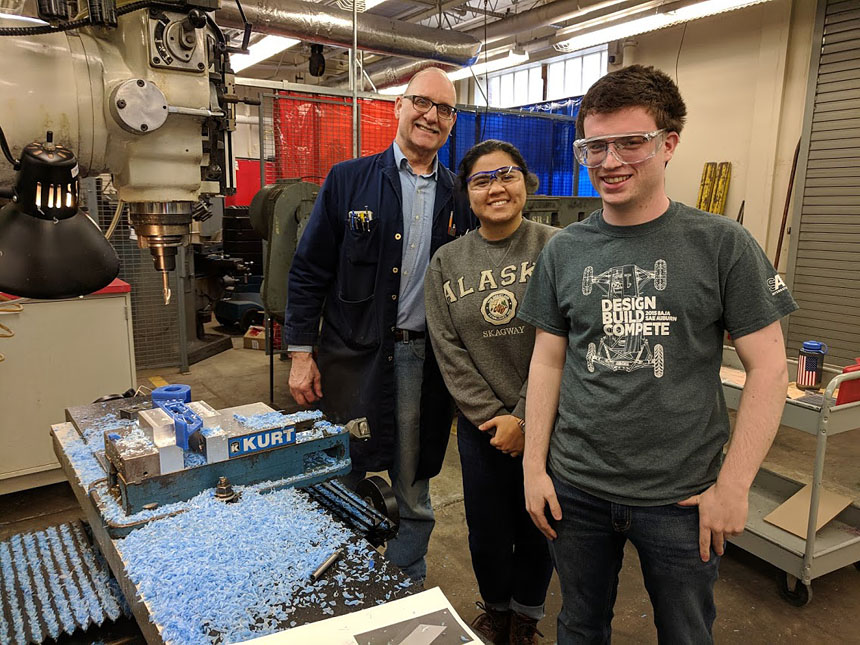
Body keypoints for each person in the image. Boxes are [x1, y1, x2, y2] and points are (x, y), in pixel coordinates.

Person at [517, 64, 798, 643]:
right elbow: (547, 361)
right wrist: (534, 467)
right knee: (578, 624)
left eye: (630, 143)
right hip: (577, 489)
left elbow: (770, 368)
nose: (609, 160)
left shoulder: (723, 246)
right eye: (594, 145)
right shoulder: (564, 249)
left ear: (669, 143)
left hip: (682, 498)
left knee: (686, 632)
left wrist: (735, 486)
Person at [283, 68, 473, 584]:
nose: (431, 116)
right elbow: (309, 270)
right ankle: (335, 577)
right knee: (340, 468)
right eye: (421, 102)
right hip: (350, 358)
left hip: (423, 361)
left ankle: (405, 578)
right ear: (397, 106)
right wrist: (301, 354)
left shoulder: (459, 196)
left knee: (413, 481)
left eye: (444, 109)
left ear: (452, 123)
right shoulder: (349, 180)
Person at [425, 140, 556, 645]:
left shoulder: (555, 246)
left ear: (526, 182)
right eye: (481, 180)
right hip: (482, 429)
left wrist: (524, 418)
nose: (496, 188)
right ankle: (496, 611)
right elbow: (447, 347)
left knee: (539, 523)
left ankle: (526, 617)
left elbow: (563, 341)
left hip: (547, 422)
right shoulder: (447, 261)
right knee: (487, 530)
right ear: (467, 193)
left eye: (507, 175)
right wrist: (494, 418)